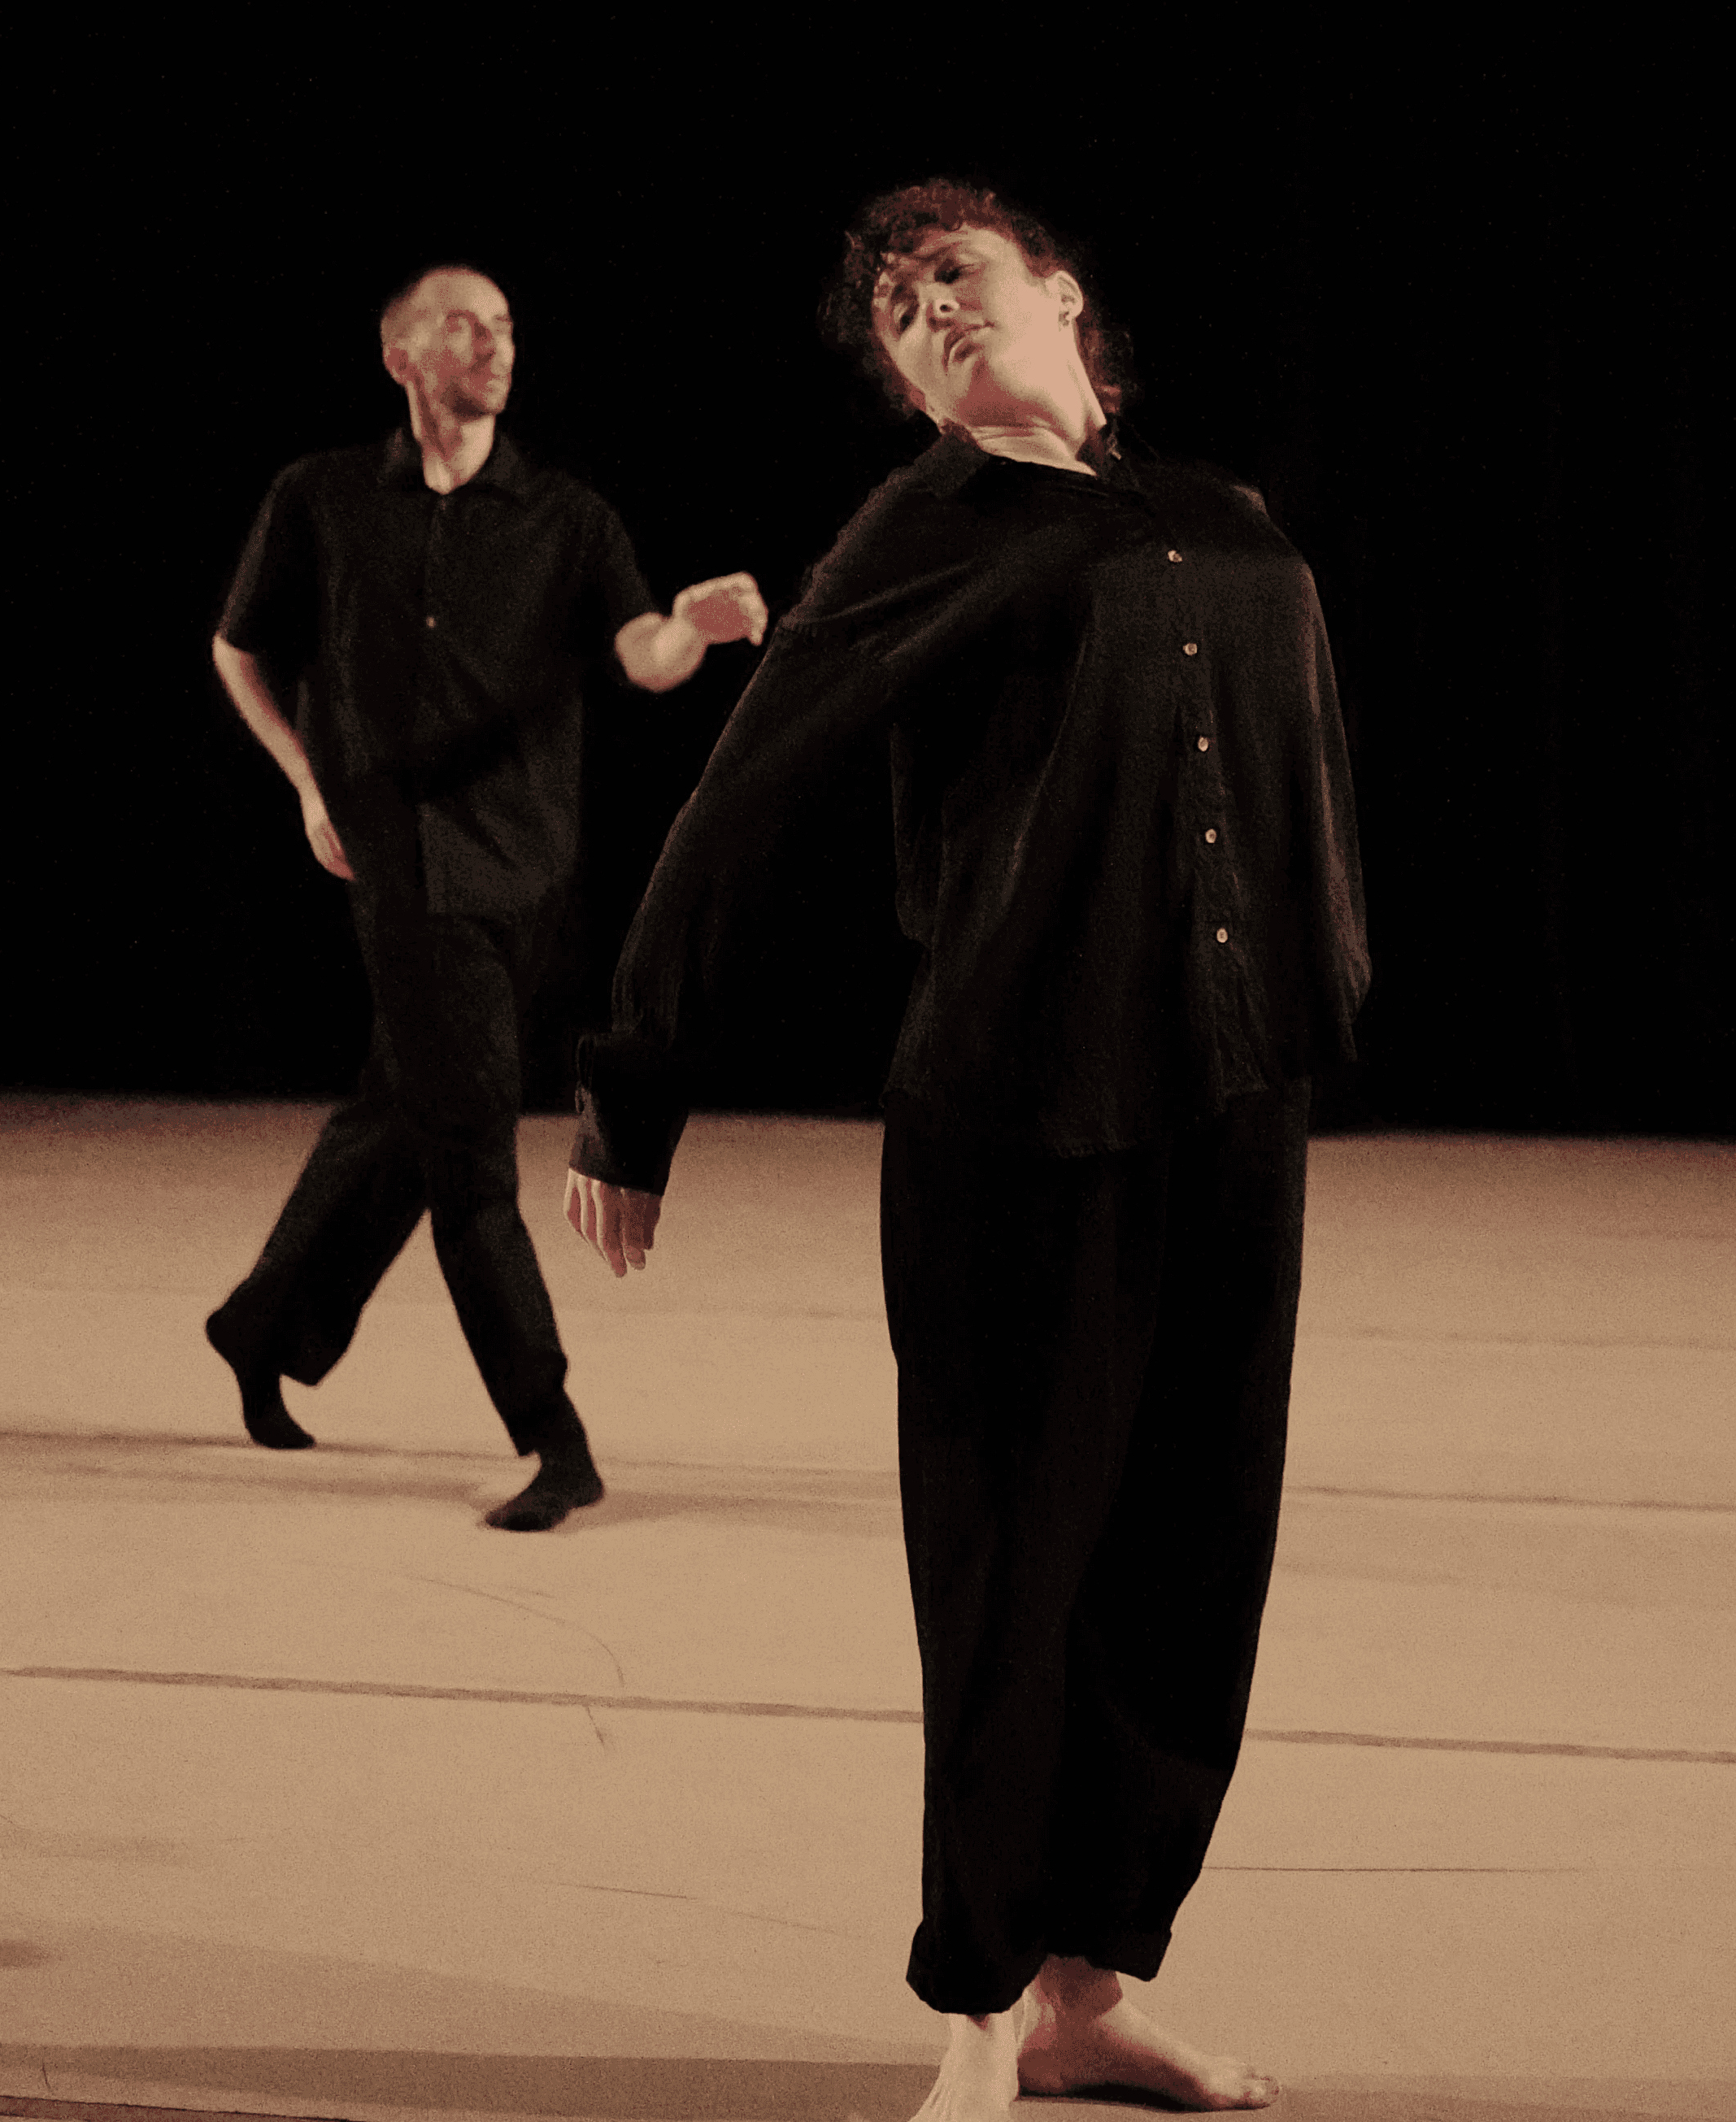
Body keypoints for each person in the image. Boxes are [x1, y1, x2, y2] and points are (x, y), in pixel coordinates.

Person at [563, 183, 1368, 2113]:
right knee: (1015, 1570)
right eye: (901, 312)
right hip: (1015, 1121)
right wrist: (635, 1082)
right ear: (914, 389)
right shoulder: (922, 532)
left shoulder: (1222, 515)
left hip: (1232, 1107)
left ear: (1060, 298)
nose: (930, 308)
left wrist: (1325, 978)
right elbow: (743, 796)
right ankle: (981, 2005)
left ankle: (1093, 1988)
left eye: (957, 275)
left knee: (1191, 1566)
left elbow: (1302, 771)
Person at [207, 263, 768, 1533]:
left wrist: (691, 627)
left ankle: (261, 1324)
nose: (494, 343)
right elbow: (239, 647)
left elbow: (642, 654)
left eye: (506, 326)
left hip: (532, 872)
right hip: (402, 867)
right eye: (464, 325)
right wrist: (306, 783)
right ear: (402, 355)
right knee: (469, 1154)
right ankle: (553, 1435)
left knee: (400, 1114)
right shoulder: (322, 495)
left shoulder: (566, 515)